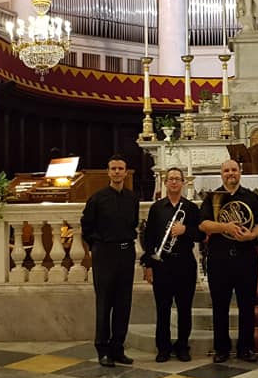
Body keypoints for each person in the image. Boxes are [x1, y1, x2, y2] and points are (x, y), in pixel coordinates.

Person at [199, 159, 258, 363]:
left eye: (234, 170)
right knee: (220, 305)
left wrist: (251, 235)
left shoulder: (251, 197)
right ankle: (222, 348)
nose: (230, 173)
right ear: (221, 174)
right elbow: (203, 224)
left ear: (240, 172)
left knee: (247, 305)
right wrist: (225, 227)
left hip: (246, 257)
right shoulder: (212, 197)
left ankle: (246, 347)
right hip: (219, 258)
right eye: (226, 170)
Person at [80, 154, 140, 367]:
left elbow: (133, 224)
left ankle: (118, 348)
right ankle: (103, 349)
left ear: (125, 172)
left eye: (120, 168)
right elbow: (87, 226)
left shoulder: (132, 198)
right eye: (113, 168)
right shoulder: (97, 199)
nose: (117, 172)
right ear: (108, 172)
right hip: (105, 254)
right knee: (104, 303)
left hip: (126, 252)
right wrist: (97, 247)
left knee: (124, 303)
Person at [141, 167, 203, 362]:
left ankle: (183, 346)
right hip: (162, 265)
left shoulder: (191, 208)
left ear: (183, 182)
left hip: (185, 264)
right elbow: (148, 238)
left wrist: (185, 230)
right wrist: (148, 265)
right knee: (163, 309)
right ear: (165, 182)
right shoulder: (157, 208)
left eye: (177, 179)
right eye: (171, 179)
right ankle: (163, 348)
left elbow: (201, 235)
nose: (174, 182)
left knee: (185, 308)